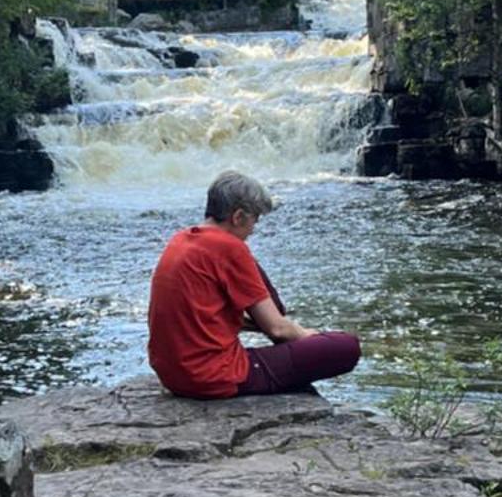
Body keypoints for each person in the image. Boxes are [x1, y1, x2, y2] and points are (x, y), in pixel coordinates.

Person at [147, 171, 362, 399]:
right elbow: (277, 329)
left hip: (172, 374)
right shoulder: (229, 248)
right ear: (238, 217)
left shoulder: (181, 239)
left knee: (257, 278)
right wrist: (313, 335)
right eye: (254, 220)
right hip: (212, 376)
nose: (253, 230)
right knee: (346, 346)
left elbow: (205, 316)